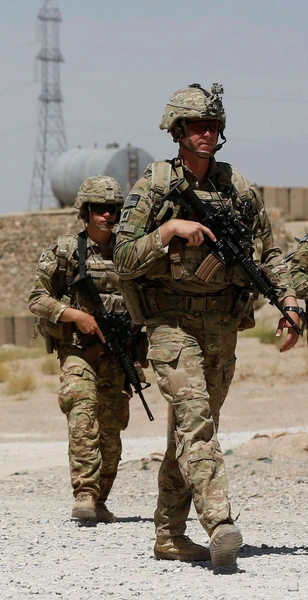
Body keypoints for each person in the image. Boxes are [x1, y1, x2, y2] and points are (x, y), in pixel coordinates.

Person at [114, 84, 301, 567]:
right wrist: (167, 231)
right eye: (196, 126)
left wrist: (290, 302)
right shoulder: (155, 186)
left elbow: (269, 254)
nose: (206, 133)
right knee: (195, 422)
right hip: (170, 323)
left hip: (221, 326)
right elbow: (122, 257)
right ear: (177, 131)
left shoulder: (237, 188)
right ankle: (220, 523)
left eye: (213, 126)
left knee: (194, 428)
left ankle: (169, 536)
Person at [29, 176, 133, 524]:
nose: (107, 215)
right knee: (81, 411)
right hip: (78, 350)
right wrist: (73, 315)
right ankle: (85, 494)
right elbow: (37, 298)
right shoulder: (66, 251)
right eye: (99, 209)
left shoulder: (128, 252)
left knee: (112, 427)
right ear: (85, 212)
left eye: (113, 209)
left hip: (119, 353)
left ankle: (101, 496)